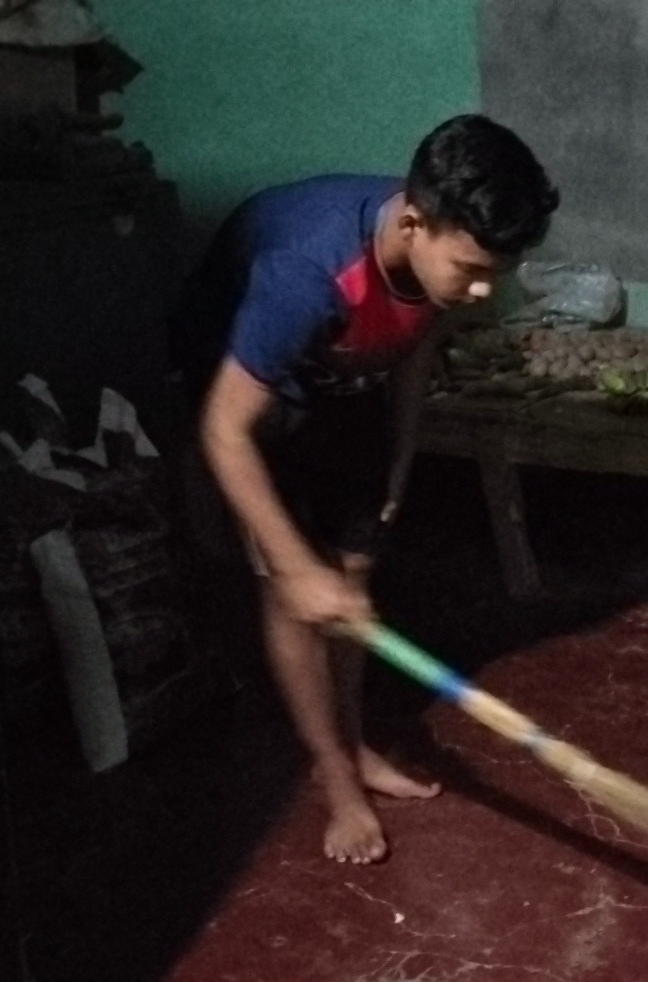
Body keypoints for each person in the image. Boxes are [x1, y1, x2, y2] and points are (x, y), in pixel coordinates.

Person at [176, 115, 558, 863]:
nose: (483, 292)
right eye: (473, 269)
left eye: (498, 274)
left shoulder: (437, 261)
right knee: (294, 594)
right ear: (413, 223)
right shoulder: (305, 275)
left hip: (343, 377)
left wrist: (396, 471)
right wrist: (294, 566)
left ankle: (352, 745)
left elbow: (411, 356)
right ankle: (335, 779)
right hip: (255, 387)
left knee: (354, 580)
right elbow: (223, 430)